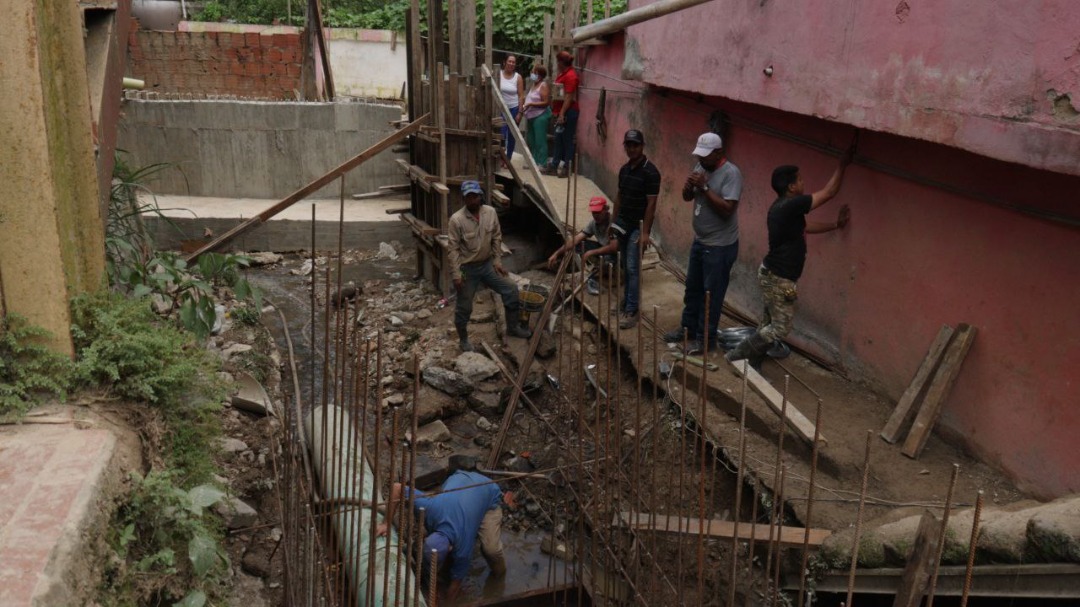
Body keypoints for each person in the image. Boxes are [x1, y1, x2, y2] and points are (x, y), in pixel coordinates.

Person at [726, 146, 855, 367]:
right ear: (791, 187)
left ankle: (753, 361)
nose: (804, 184)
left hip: (773, 274)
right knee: (780, 327)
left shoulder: (784, 208)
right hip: (779, 277)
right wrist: (842, 164)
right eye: (800, 180)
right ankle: (737, 355)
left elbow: (806, 227)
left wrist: (835, 225)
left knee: (768, 322)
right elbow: (829, 192)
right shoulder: (792, 204)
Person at [662, 132, 743, 355]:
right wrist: (689, 188)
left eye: (706, 156)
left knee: (711, 295)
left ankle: (705, 340)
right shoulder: (701, 169)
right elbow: (688, 198)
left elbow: (728, 210)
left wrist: (706, 188)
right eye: (699, 155)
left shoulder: (731, 174)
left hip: (720, 245)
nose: (701, 160)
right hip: (700, 241)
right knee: (693, 288)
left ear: (719, 152)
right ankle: (687, 328)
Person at [376, 466, 506, 602]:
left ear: (451, 549)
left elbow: (455, 586)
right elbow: (397, 488)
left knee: (491, 549)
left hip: (488, 493)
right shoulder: (429, 509)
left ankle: (499, 575)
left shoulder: (463, 549)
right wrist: (386, 524)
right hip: (459, 478)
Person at [448, 181, 532, 352]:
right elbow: (453, 250)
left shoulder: (491, 212)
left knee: (511, 289)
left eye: (475, 196)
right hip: (467, 269)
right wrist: (456, 274)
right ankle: (463, 340)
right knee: (464, 307)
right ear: (464, 198)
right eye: (468, 197)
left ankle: (513, 327)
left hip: (487, 266)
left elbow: (496, 237)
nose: (472, 200)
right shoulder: (456, 220)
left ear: (480, 196)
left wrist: (497, 261)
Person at [609, 128, 661, 329]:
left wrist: (646, 232)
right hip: (623, 223)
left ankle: (632, 309)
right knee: (624, 265)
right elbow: (619, 198)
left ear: (642, 146)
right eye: (628, 145)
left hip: (639, 225)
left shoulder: (651, 172)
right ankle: (627, 301)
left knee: (632, 266)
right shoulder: (624, 170)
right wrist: (614, 223)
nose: (631, 149)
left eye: (635, 145)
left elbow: (651, 204)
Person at [543, 51, 579, 178]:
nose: (557, 64)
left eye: (558, 61)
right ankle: (554, 165)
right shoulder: (563, 74)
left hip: (568, 112)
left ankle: (566, 168)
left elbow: (569, 97)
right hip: (561, 112)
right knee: (559, 139)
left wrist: (562, 114)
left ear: (561, 62)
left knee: (567, 140)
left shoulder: (571, 76)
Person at [521, 65, 552, 168]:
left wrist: (531, 104)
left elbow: (546, 102)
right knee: (531, 140)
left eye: (533, 72)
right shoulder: (533, 85)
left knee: (540, 140)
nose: (531, 74)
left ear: (538, 75)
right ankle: (533, 162)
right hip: (531, 116)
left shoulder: (543, 85)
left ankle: (542, 163)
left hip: (540, 116)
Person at [498, 55, 525, 163]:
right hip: (501, 108)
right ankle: (501, 157)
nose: (511, 64)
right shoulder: (498, 74)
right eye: (509, 61)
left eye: (513, 62)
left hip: (514, 108)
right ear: (505, 62)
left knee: (512, 134)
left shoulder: (518, 77)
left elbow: (521, 96)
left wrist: (520, 112)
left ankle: (508, 159)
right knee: (501, 134)